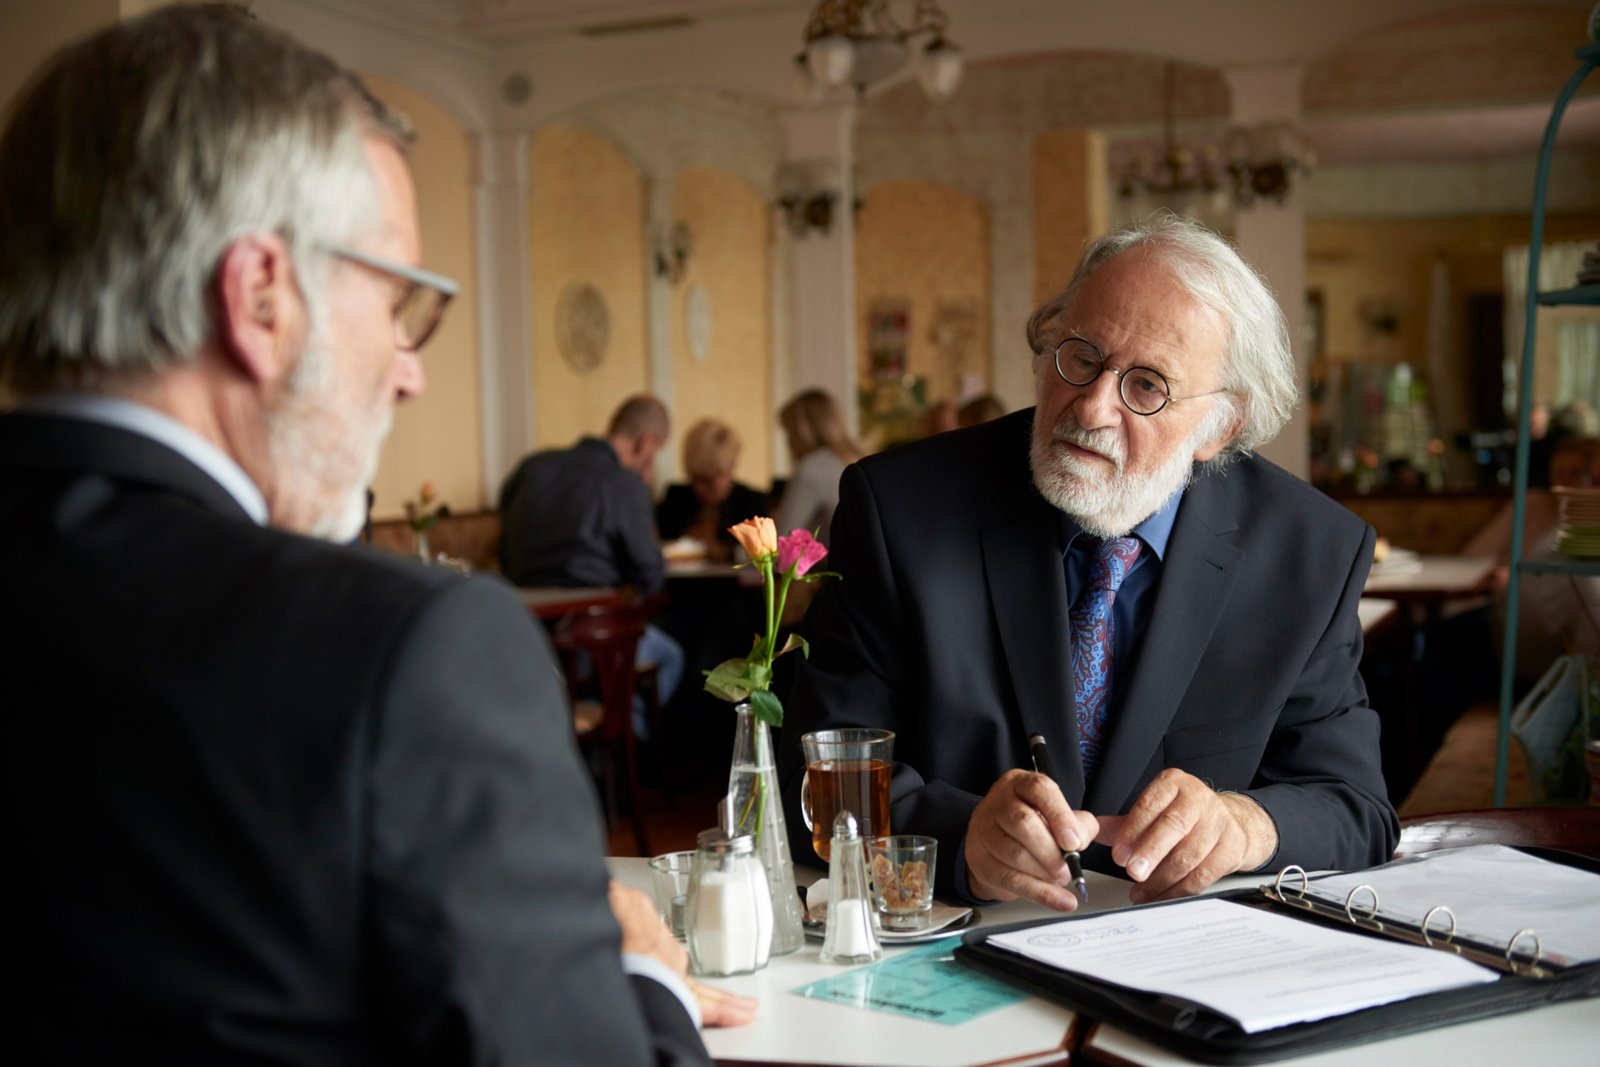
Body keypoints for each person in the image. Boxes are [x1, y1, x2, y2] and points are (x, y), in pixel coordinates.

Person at [0, 7, 749, 1061]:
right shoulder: (407, 649)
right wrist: (646, 980)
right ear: (261, 297)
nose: (410, 370)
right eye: (400, 304)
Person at [779, 215, 1397, 913]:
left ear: (1221, 424)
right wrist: (963, 838)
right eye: (1081, 357)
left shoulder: (1309, 552)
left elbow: (1355, 806)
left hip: (1182, 950)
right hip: (957, 937)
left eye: (1147, 386)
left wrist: (1244, 825)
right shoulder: (903, 510)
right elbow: (815, 776)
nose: (1094, 407)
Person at [499, 394, 686, 731]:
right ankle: (619, 743)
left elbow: (504, 541)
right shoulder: (623, 483)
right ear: (646, 444)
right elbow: (650, 576)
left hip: (523, 637)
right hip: (593, 643)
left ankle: (592, 737)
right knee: (671, 656)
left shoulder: (531, 468)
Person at [656, 417, 769, 563]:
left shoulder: (753, 505)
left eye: (709, 479)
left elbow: (762, 558)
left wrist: (722, 551)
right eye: (695, 477)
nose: (700, 488)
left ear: (731, 467)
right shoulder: (675, 498)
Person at [773, 388, 865, 545]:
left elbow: (783, 542)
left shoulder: (812, 468)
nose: (788, 443)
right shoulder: (859, 461)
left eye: (789, 432)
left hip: (834, 561)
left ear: (803, 430)